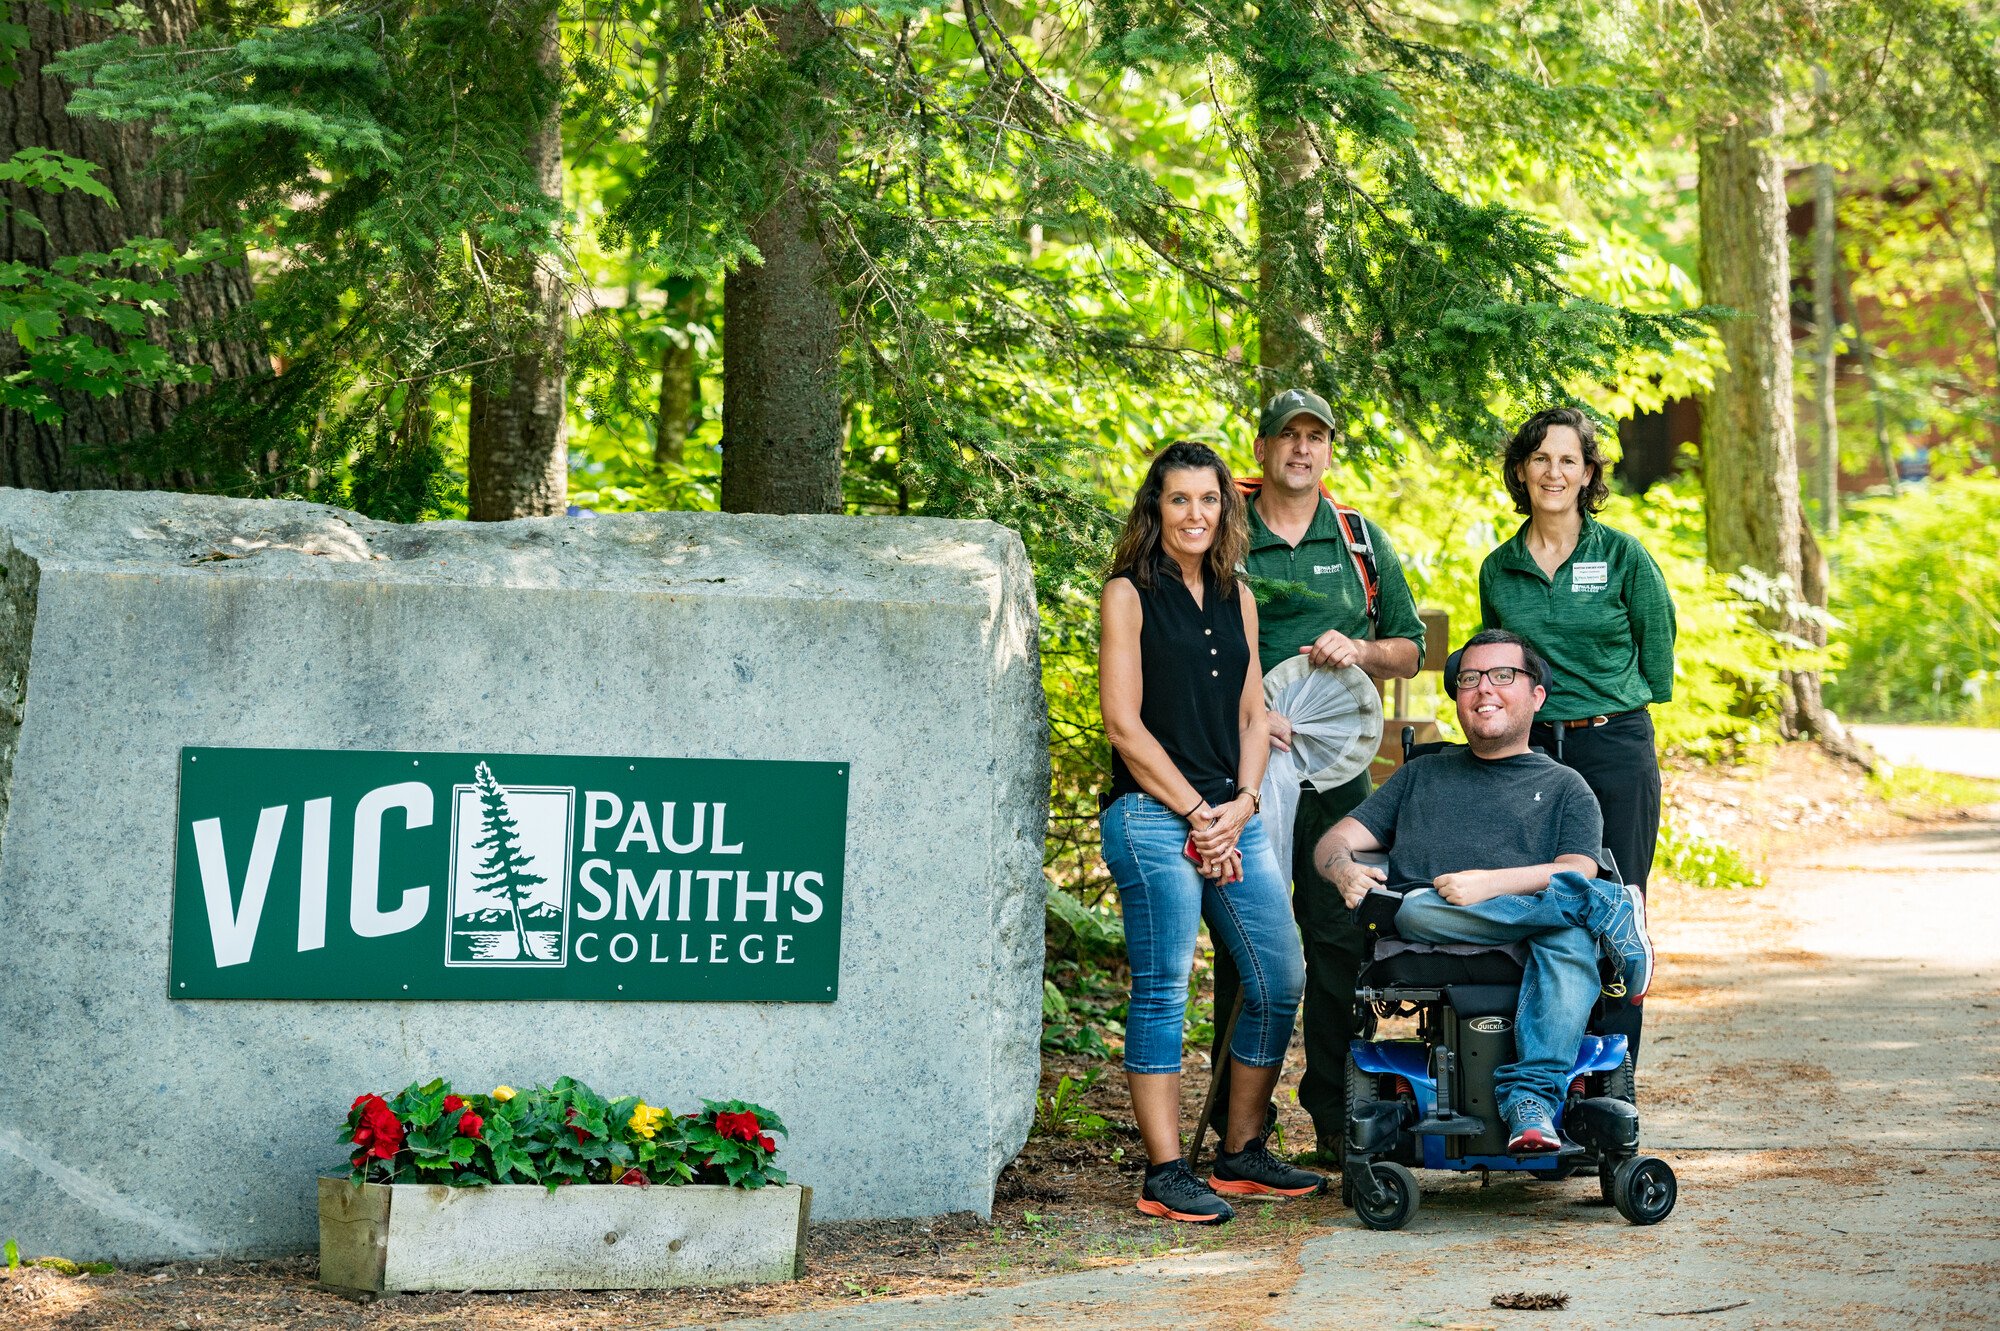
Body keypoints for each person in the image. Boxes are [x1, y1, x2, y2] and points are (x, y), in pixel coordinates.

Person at [1313, 630, 1655, 1151]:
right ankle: (1603, 911)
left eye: (1503, 676)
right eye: (1469, 679)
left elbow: (1579, 863)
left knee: (1565, 939)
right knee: (1415, 907)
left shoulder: (1567, 786)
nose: (1483, 689)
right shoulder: (1420, 776)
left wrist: (1488, 886)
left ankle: (1531, 1102)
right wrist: (1342, 870)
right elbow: (1337, 840)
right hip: (1430, 923)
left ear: (1536, 695)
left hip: (1535, 944)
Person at [1098, 440, 1325, 1224]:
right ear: (1154, 509)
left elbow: (1253, 714)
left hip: (1232, 817)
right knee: (1165, 984)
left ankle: (1239, 1152)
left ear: (1226, 507)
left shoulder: (1240, 595)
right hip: (1151, 816)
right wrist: (1198, 814)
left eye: (1208, 499)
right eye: (1179, 500)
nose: (1195, 514)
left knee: (1278, 976)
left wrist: (1245, 802)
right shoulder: (1128, 594)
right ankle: (1165, 1171)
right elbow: (1124, 727)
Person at [1207, 388, 1427, 1164]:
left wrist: (1361, 650)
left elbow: (1408, 644)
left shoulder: (1360, 540)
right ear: (1262, 449)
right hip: (1243, 766)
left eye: (1316, 437)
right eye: (1288, 436)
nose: (1302, 449)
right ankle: (1237, 1123)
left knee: (1340, 934)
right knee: (1244, 937)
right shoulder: (1224, 533)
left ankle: (1338, 1117)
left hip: (1337, 775)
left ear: (1329, 451)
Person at [1478, 407, 1676, 1060]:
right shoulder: (1499, 567)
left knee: (1619, 912)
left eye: (1568, 459)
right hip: (1532, 756)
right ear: (1520, 472)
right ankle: (1548, 1076)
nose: (1554, 472)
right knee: (1540, 907)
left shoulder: (1622, 554)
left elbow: (1658, 646)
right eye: (1540, 458)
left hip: (1614, 746)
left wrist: (1612, 705)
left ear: (1589, 472)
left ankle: (1612, 1090)